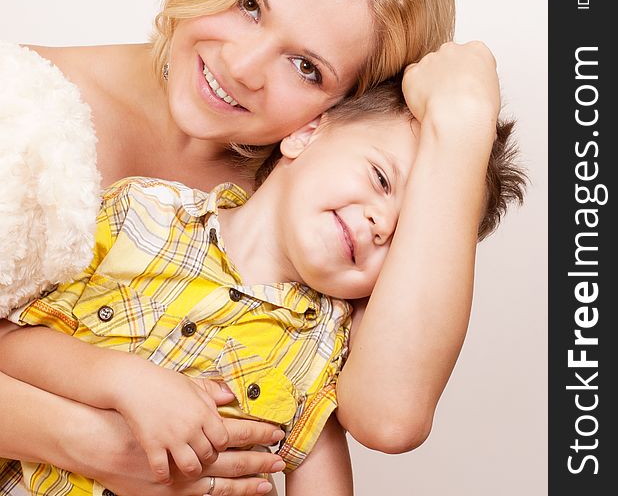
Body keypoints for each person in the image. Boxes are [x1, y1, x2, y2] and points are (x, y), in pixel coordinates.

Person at [0, 0, 507, 494]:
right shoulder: (22, 112)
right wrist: (100, 445)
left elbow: (389, 415)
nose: (243, 66)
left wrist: (464, 128)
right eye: (250, 5)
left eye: (307, 67)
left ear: (332, 113)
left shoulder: (311, 254)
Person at [0, 79, 525, 496]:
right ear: (307, 133)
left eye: (405, 236)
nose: (381, 223)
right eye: (381, 179)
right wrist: (122, 380)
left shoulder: (327, 354)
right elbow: (8, 341)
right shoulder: (141, 212)